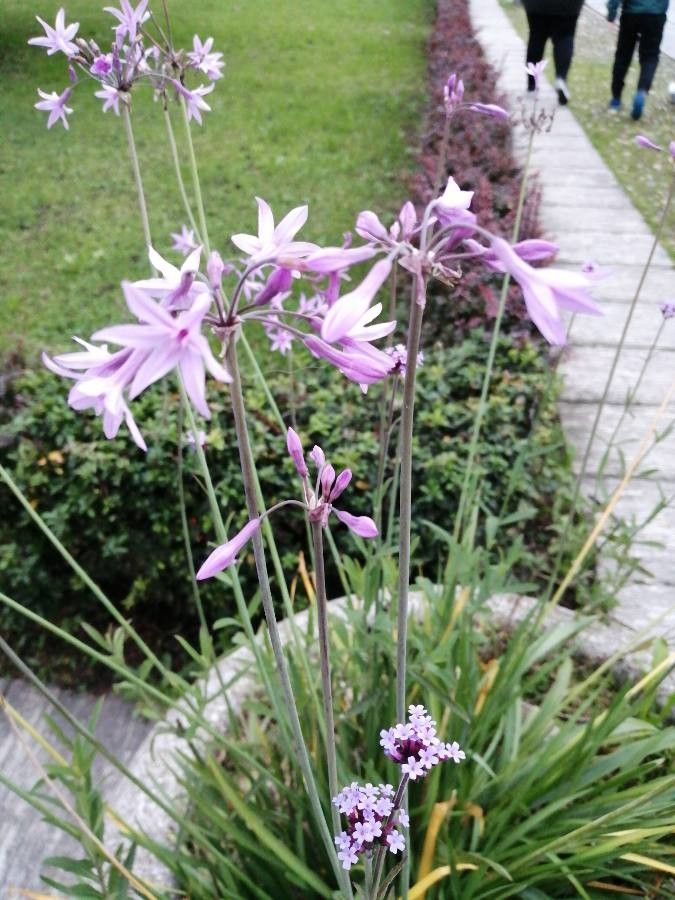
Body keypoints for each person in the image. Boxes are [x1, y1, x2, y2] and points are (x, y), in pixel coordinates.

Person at [607, 0, 670, 119]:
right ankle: (641, 91)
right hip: (656, 14)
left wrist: (612, 11)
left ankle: (616, 99)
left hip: (631, 12)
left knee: (623, 56)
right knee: (650, 56)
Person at [522, 0, 585, 105]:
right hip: (568, 5)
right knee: (565, 37)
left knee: (536, 37)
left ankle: (531, 84)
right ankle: (561, 77)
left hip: (536, 5)